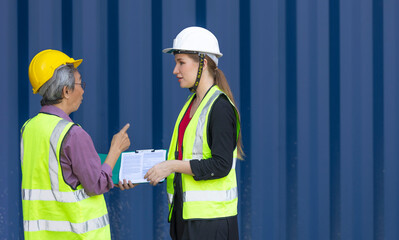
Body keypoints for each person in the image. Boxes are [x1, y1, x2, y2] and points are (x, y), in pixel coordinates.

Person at [20, 49, 133, 239]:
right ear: (66, 91)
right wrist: (115, 150)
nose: (83, 89)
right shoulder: (73, 134)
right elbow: (95, 184)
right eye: (80, 83)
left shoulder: (28, 128)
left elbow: (61, 175)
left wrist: (110, 175)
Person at [144, 26, 244, 240]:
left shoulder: (219, 107)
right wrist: (147, 170)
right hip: (186, 219)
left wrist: (170, 166)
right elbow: (185, 156)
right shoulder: (192, 104)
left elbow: (221, 165)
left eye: (181, 63)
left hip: (211, 224)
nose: (175, 71)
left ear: (203, 63)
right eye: (176, 63)